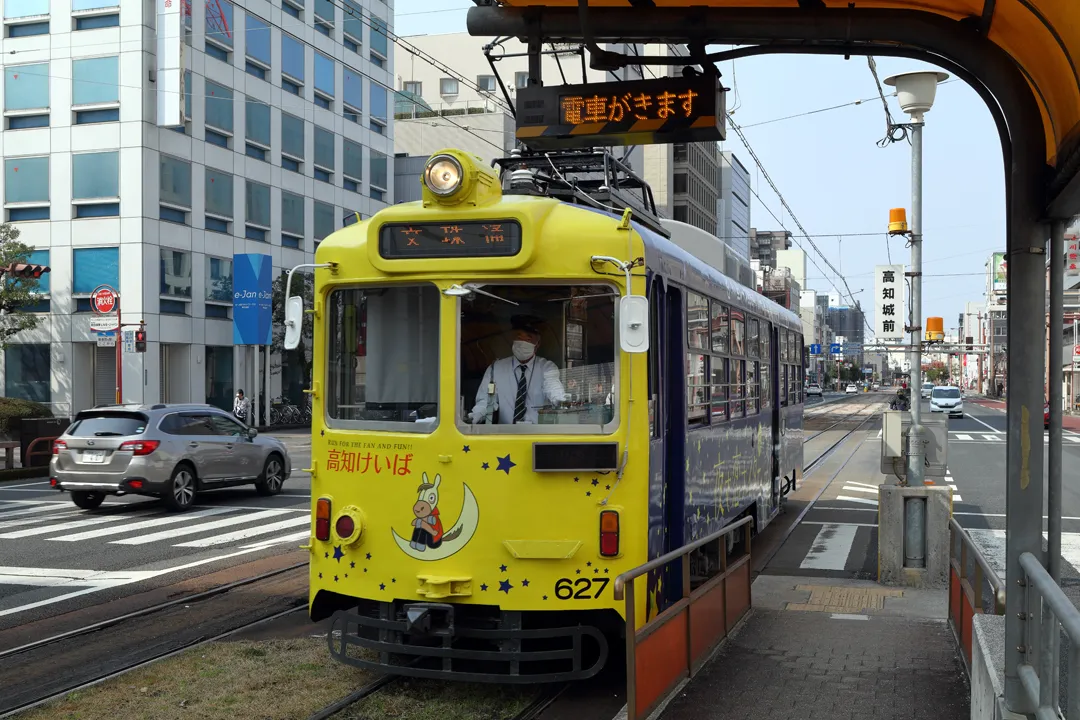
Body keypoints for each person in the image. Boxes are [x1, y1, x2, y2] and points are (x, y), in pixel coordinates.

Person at [469, 315, 568, 424]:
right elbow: (485, 401)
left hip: (538, 434)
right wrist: (476, 416)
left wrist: (561, 400)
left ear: (537, 344)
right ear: (513, 340)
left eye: (528, 339)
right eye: (519, 338)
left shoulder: (546, 367)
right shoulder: (496, 368)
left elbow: (553, 388)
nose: (523, 343)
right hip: (506, 434)